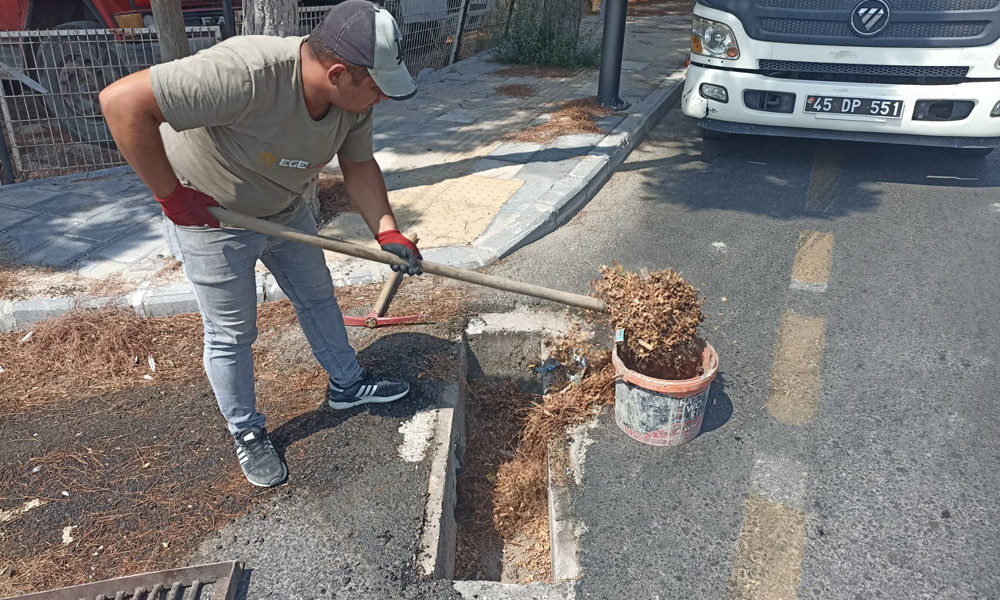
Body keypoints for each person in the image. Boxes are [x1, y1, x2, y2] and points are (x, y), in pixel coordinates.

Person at [99, 0, 422, 488]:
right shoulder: (247, 71)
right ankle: (246, 432)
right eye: (375, 87)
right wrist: (171, 196)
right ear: (337, 73)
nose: (379, 98)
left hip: (286, 210)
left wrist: (388, 231)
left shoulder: (350, 102)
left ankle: (347, 385)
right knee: (232, 333)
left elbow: (358, 165)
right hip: (211, 216)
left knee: (317, 296)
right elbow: (121, 102)